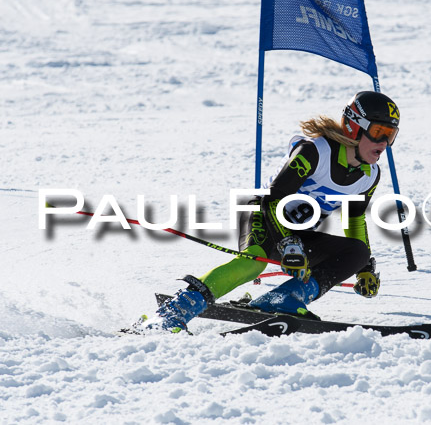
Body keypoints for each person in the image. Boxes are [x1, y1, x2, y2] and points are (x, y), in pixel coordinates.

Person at [142, 91, 401, 332]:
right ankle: (174, 311)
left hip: (298, 234)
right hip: (263, 214)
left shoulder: (369, 175)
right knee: (251, 264)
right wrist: (287, 244)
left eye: (391, 135)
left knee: (356, 251)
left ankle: (284, 299)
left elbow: (354, 219)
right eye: (378, 132)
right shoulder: (315, 151)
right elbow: (273, 199)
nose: (384, 143)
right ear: (353, 126)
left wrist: (364, 267)